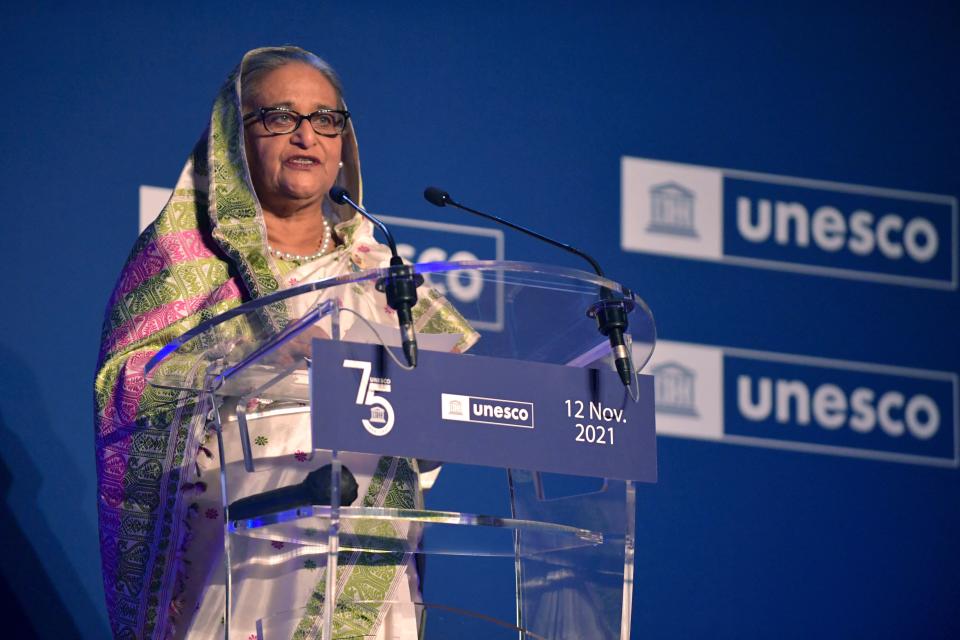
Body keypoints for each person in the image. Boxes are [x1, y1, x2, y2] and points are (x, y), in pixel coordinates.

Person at [95, 46, 476, 639]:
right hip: (236, 550)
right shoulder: (185, 259)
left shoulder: (381, 273)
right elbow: (124, 389)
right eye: (279, 117)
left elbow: (453, 406)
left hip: (364, 550)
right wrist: (245, 354)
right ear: (232, 140)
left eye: (326, 119)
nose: (306, 136)